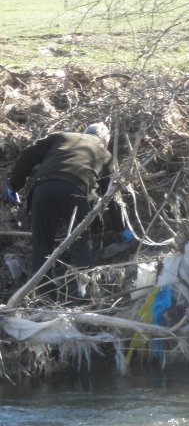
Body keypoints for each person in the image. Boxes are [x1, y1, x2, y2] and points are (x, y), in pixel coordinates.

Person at [5, 122, 135, 298]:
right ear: (105, 141)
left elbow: (29, 154)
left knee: (42, 243)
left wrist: (14, 185)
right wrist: (121, 227)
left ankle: (45, 294)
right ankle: (78, 296)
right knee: (80, 241)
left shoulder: (62, 137)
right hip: (75, 191)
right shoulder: (106, 155)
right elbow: (110, 195)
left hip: (43, 189)